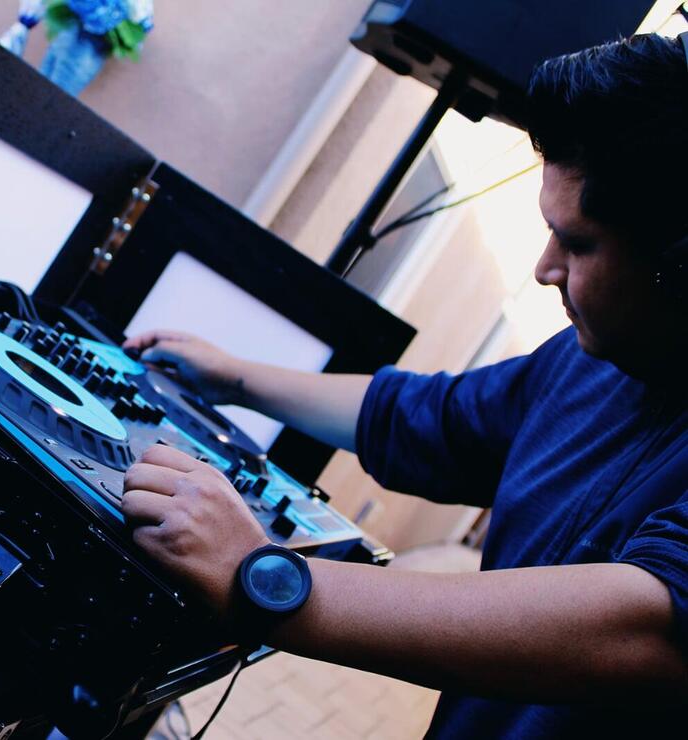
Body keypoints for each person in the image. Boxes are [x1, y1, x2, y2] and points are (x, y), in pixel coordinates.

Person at [120, 34, 687, 737]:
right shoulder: (588, 360)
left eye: (575, 243)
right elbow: (426, 417)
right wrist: (235, 378)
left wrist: (260, 578)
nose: (545, 269)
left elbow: (644, 626)